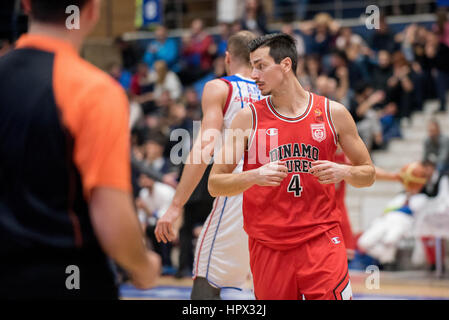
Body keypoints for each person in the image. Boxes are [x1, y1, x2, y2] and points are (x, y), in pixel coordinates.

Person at [0, 0, 160, 299]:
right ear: (93, 10)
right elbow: (111, 217)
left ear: (25, 5)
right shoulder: (93, 91)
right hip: (66, 278)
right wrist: (143, 266)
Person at [208, 33, 376, 300]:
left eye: (261, 66)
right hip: (268, 246)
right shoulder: (247, 119)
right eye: (252, 66)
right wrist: (254, 175)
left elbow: (368, 174)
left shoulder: (333, 113)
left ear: (285, 64)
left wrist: (343, 171)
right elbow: (215, 184)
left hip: (321, 240)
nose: (254, 74)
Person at [155, 31, 261, 299]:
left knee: (207, 279)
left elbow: (204, 147)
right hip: (276, 191)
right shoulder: (274, 91)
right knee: (258, 283)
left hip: (239, 189)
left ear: (227, 58)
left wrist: (175, 205)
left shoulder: (220, 87)